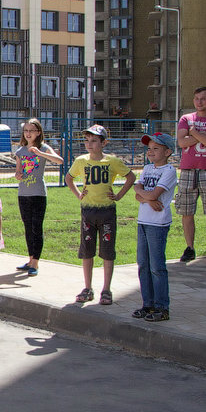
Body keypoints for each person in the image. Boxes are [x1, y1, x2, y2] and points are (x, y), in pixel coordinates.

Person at [66, 125, 135, 305]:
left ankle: (106, 289)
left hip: (107, 212)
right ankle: (87, 287)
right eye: (87, 140)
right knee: (86, 251)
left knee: (107, 251)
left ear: (104, 143)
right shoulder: (81, 161)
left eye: (94, 140)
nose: (89, 144)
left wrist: (119, 195)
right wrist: (78, 194)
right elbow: (69, 178)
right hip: (88, 211)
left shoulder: (111, 161)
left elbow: (131, 177)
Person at [175, 86, 206, 264]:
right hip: (188, 170)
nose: (199, 102)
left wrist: (195, 133)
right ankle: (190, 248)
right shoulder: (185, 118)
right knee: (186, 211)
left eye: (203, 98)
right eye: (196, 98)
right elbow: (182, 142)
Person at [133, 133, 178, 322]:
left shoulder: (169, 171)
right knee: (143, 265)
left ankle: (162, 306)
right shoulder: (147, 168)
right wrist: (147, 198)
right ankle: (148, 304)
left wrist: (147, 197)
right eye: (149, 148)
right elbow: (137, 191)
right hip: (143, 221)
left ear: (167, 152)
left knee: (157, 267)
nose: (151, 152)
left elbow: (155, 194)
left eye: (156, 148)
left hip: (158, 224)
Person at [13, 119, 62, 276]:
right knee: (28, 228)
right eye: (26, 130)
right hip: (23, 194)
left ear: (38, 132)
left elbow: (60, 161)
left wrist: (41, 153)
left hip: (38, 194)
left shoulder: (44, 148)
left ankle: (36, 263)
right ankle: (30, 259)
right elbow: (18, 172)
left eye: (32, 130)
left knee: (36, 228)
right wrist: (18, 175)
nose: (28, 133)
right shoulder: (20, 151)